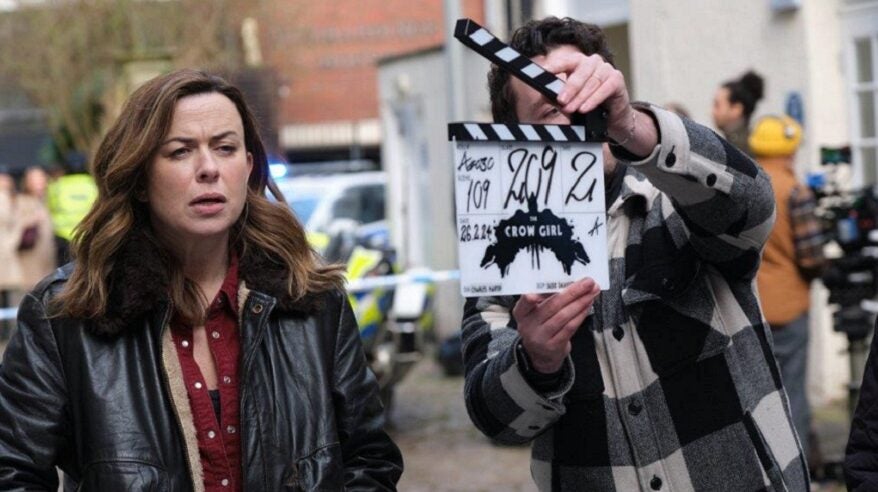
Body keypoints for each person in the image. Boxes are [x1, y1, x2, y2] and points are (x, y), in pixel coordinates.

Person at [0, 69, 403, 490]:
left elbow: (370, 459)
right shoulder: (68, 315)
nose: (209, 168)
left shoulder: (311, 300)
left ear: (247, 168)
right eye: (180, 151)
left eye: (226, 148)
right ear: (139, 177)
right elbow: (13, 472)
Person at [462, 17, 808, 490]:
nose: (578, 115)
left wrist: (630, 124)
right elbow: (494, 419)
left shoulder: (678, 201)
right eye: (550, 110)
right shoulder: (502, 259)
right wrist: (535, 362)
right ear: (516, 137)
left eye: (586, 94)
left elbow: (752, 206)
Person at [752, 115, 824, 462]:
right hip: (790, 305)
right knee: (793, 392)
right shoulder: (796, 190)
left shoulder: (749, 185)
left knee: (761, 395)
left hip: (754, 306)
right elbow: (811, 257)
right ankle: (798, 471)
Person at [45, 153, 98, 266]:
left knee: (63, 273)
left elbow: (50, 208)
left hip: (63, 237)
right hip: (86, 235)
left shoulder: (56, 186)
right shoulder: (94, 185)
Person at [17, 166, 57, 290]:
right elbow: (14, 225)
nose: (40, 183)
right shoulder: (22, 200)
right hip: (29, 258)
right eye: (35, 180)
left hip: (47, 257)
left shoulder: (49, 199)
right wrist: (31, 220)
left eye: (41, 179)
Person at [712, 70, 764, 155]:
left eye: (717, 105)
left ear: (736, 109)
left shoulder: (737, 150)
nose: (713, 112)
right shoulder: (752, 141)